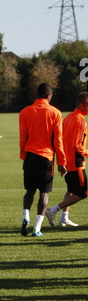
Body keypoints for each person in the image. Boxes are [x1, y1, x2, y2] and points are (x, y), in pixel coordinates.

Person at [19, 83, 67, 237]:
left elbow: (23, 138)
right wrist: (62, 161)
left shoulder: (25, 112)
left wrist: (24, 157)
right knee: (44, 193)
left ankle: (25, 215)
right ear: (48, 95)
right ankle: (37, 228)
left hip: (30, 156)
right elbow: (58, 140)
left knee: (29, 191)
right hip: (46, 157)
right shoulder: (55, 113)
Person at [46, 92, 88, 228]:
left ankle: (64, 218)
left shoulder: (68, 117)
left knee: (71, 190)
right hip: (77, 163)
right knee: (83, 193)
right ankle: (53, 210)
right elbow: (76, 145)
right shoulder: (81, 121)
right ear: (81, 105)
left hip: (67, 161)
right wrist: (87, 153)